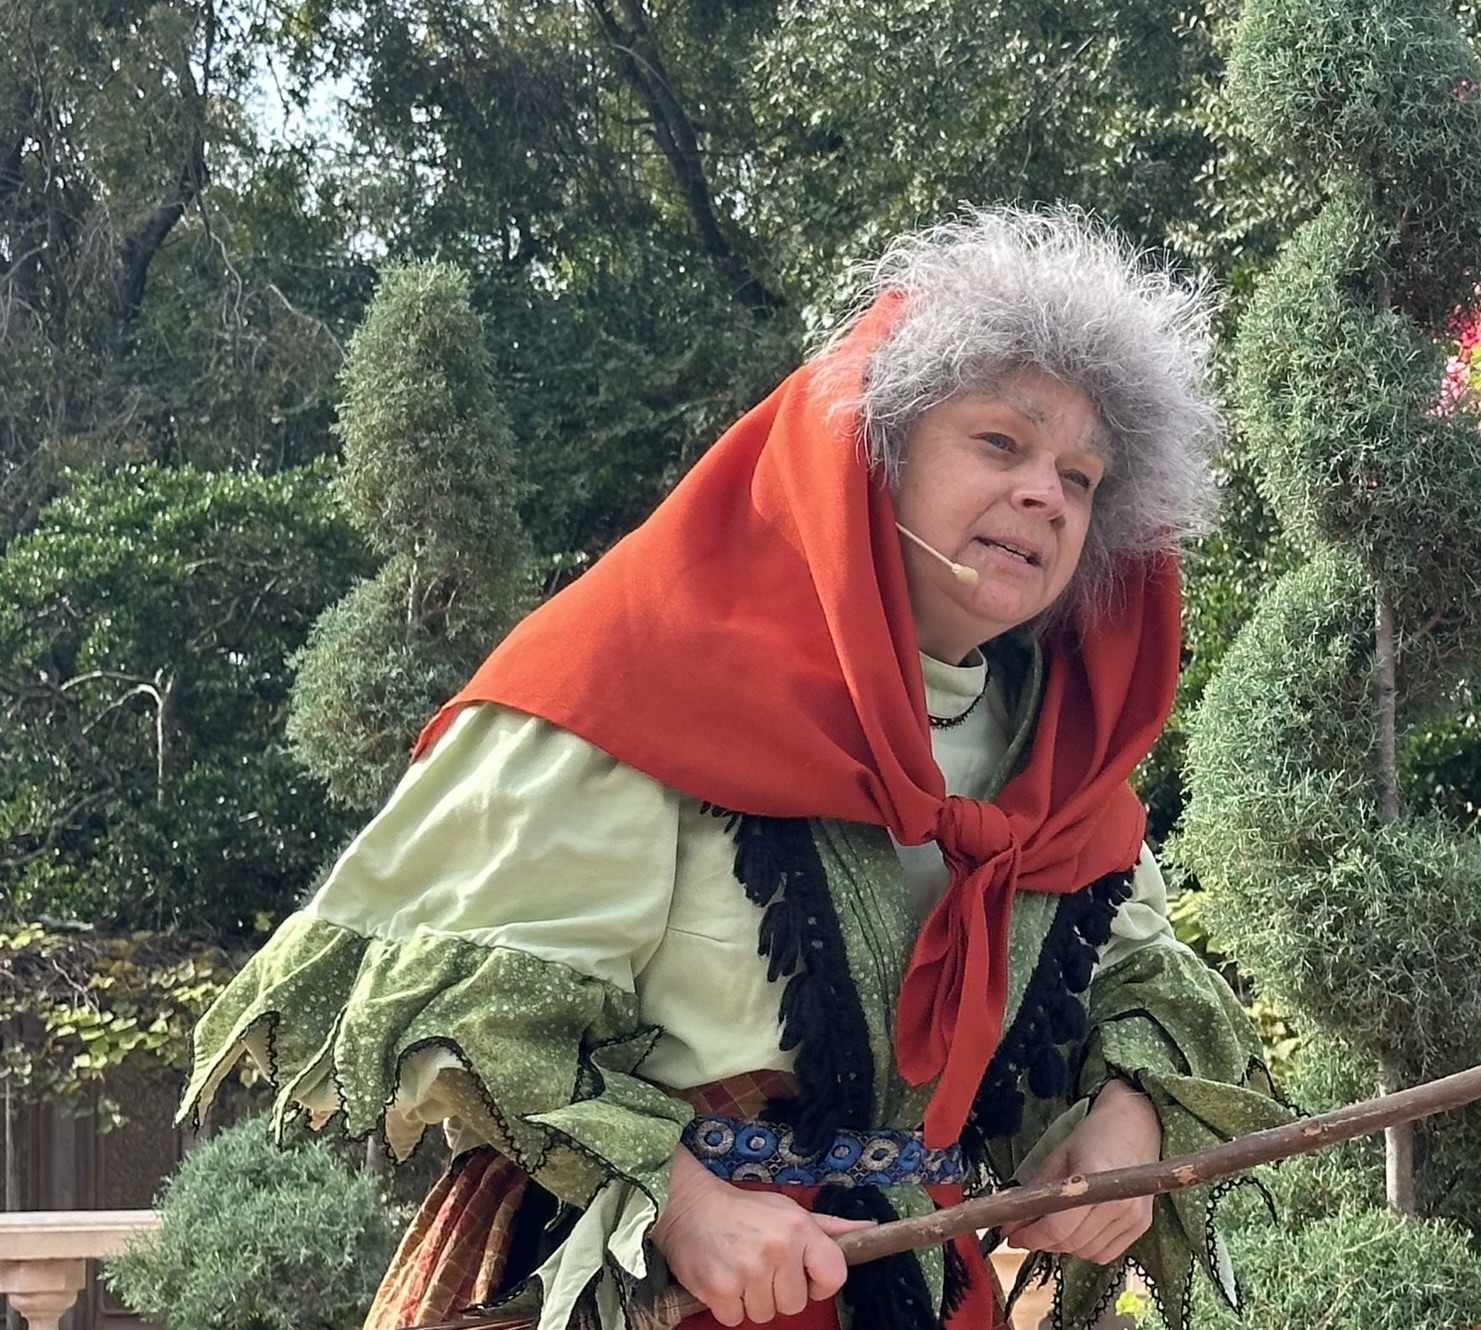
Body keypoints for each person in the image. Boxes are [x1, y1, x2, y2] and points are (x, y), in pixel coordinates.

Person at [180, 209, 1286, 1330]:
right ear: (876, 450)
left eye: (1082, 478)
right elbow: (480, 1018)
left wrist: (1127, 1122)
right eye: (1001, 442)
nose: (1047, 493)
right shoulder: (642, 675)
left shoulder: (1060, 758)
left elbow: (1140, 990)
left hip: (921, 1294)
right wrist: (685, 1204)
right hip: (651, 1291)